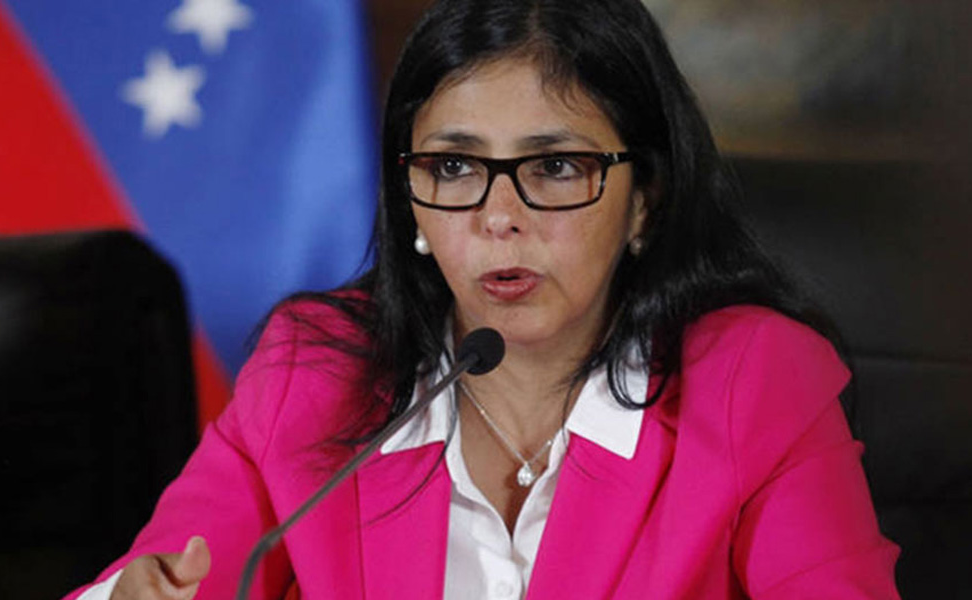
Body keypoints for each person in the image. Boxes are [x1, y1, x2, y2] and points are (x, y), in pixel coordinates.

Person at [67, 0, 900, 598]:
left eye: (556, 167)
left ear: (644, 200)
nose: (500, 217)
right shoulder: (313, 372)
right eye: (455, 167)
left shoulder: (755, 382)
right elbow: (164, 575)